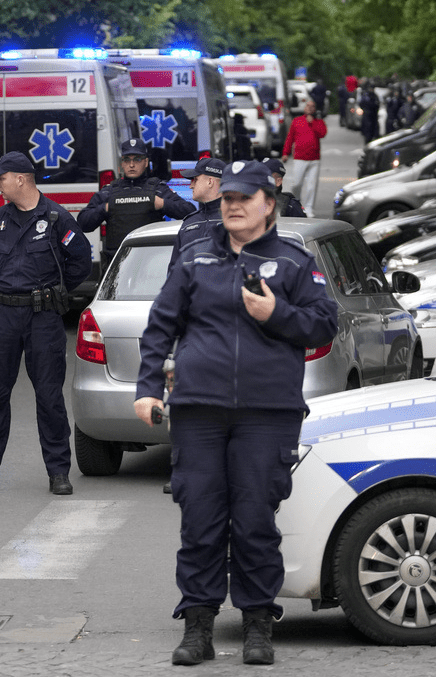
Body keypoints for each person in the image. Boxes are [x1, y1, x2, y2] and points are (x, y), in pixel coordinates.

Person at [134, 160, 337, 667]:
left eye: (244, 198)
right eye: (227, 198)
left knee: (253, 521)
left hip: (267, 413)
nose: (233, 205)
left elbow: (323, 325)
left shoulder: (293, 261)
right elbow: (161, 325)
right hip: (199, 411)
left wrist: (278, 316)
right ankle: (198, 626)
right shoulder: (196, 257)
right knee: (200, 519)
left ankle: (257, 626)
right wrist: (147, 388)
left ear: (268, 204)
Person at [0, 151, 92, 495]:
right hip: (2, 317)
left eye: (1, 178)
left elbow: (80, 262)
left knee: (49, 397)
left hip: (42, 318)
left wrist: (53, 294)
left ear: (20, 178)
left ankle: (58, 472)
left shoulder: (57, 218)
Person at [78, 138, 195, 264]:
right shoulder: (109, 192)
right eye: (127, 160)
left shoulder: (157, 189)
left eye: (137, 159)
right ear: (121, 163)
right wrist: (105, 208)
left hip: (151, 261)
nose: (132, 165)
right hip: (118, 264)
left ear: (145, 162)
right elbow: (83, 223)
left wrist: (163, 204)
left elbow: (190, 212)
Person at [168, 157, 226, 271]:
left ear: (210, 182)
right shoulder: (188, 223)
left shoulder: (235, 221)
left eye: (195, 179)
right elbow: (174, 272)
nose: (191, 185)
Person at [280, 99, 327, 218]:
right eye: (308, 106)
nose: (310, 108)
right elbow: (290, 138)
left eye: (313, 106)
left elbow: (322, 133)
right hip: (300, 157)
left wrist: (313, 123)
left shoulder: (318, 122)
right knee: (297, 183)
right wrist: (285, 152)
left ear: (315, 109)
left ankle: (309, 207)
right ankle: (295, 203)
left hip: (314, 159)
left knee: (312, 185)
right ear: (304, 108)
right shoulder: (297, 121)